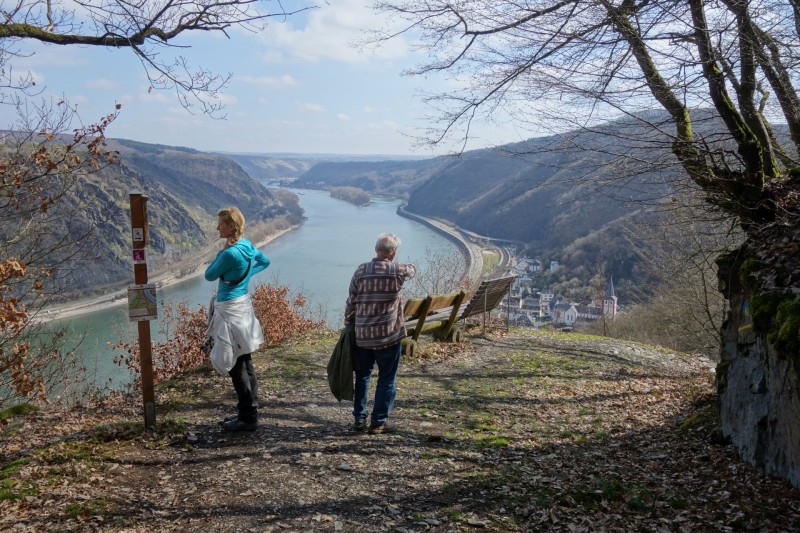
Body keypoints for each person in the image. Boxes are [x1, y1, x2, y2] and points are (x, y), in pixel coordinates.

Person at [204, 207, 271, 432]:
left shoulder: (230, 253)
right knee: (245, 358)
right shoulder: (247, 246)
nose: (217, 227)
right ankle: (251, 408)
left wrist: (221, 252)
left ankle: (247, 418)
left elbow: (209, 275)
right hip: (243, 305)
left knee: (235, 364)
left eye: (221, 224)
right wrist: (246, 275)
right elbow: (264, 261)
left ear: (231, 226)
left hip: (229, 309)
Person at [345, 233, 416, 434]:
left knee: (362, 376)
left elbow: (351, 301)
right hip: (388, 336)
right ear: (393, 253)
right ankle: (378, 422)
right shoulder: (397, 270)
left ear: (376, 250)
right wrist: (398, 263)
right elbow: (412, 269)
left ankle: (359, 418)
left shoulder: (361, 270)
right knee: (386, 378)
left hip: (363, 335)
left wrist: (348, 323)